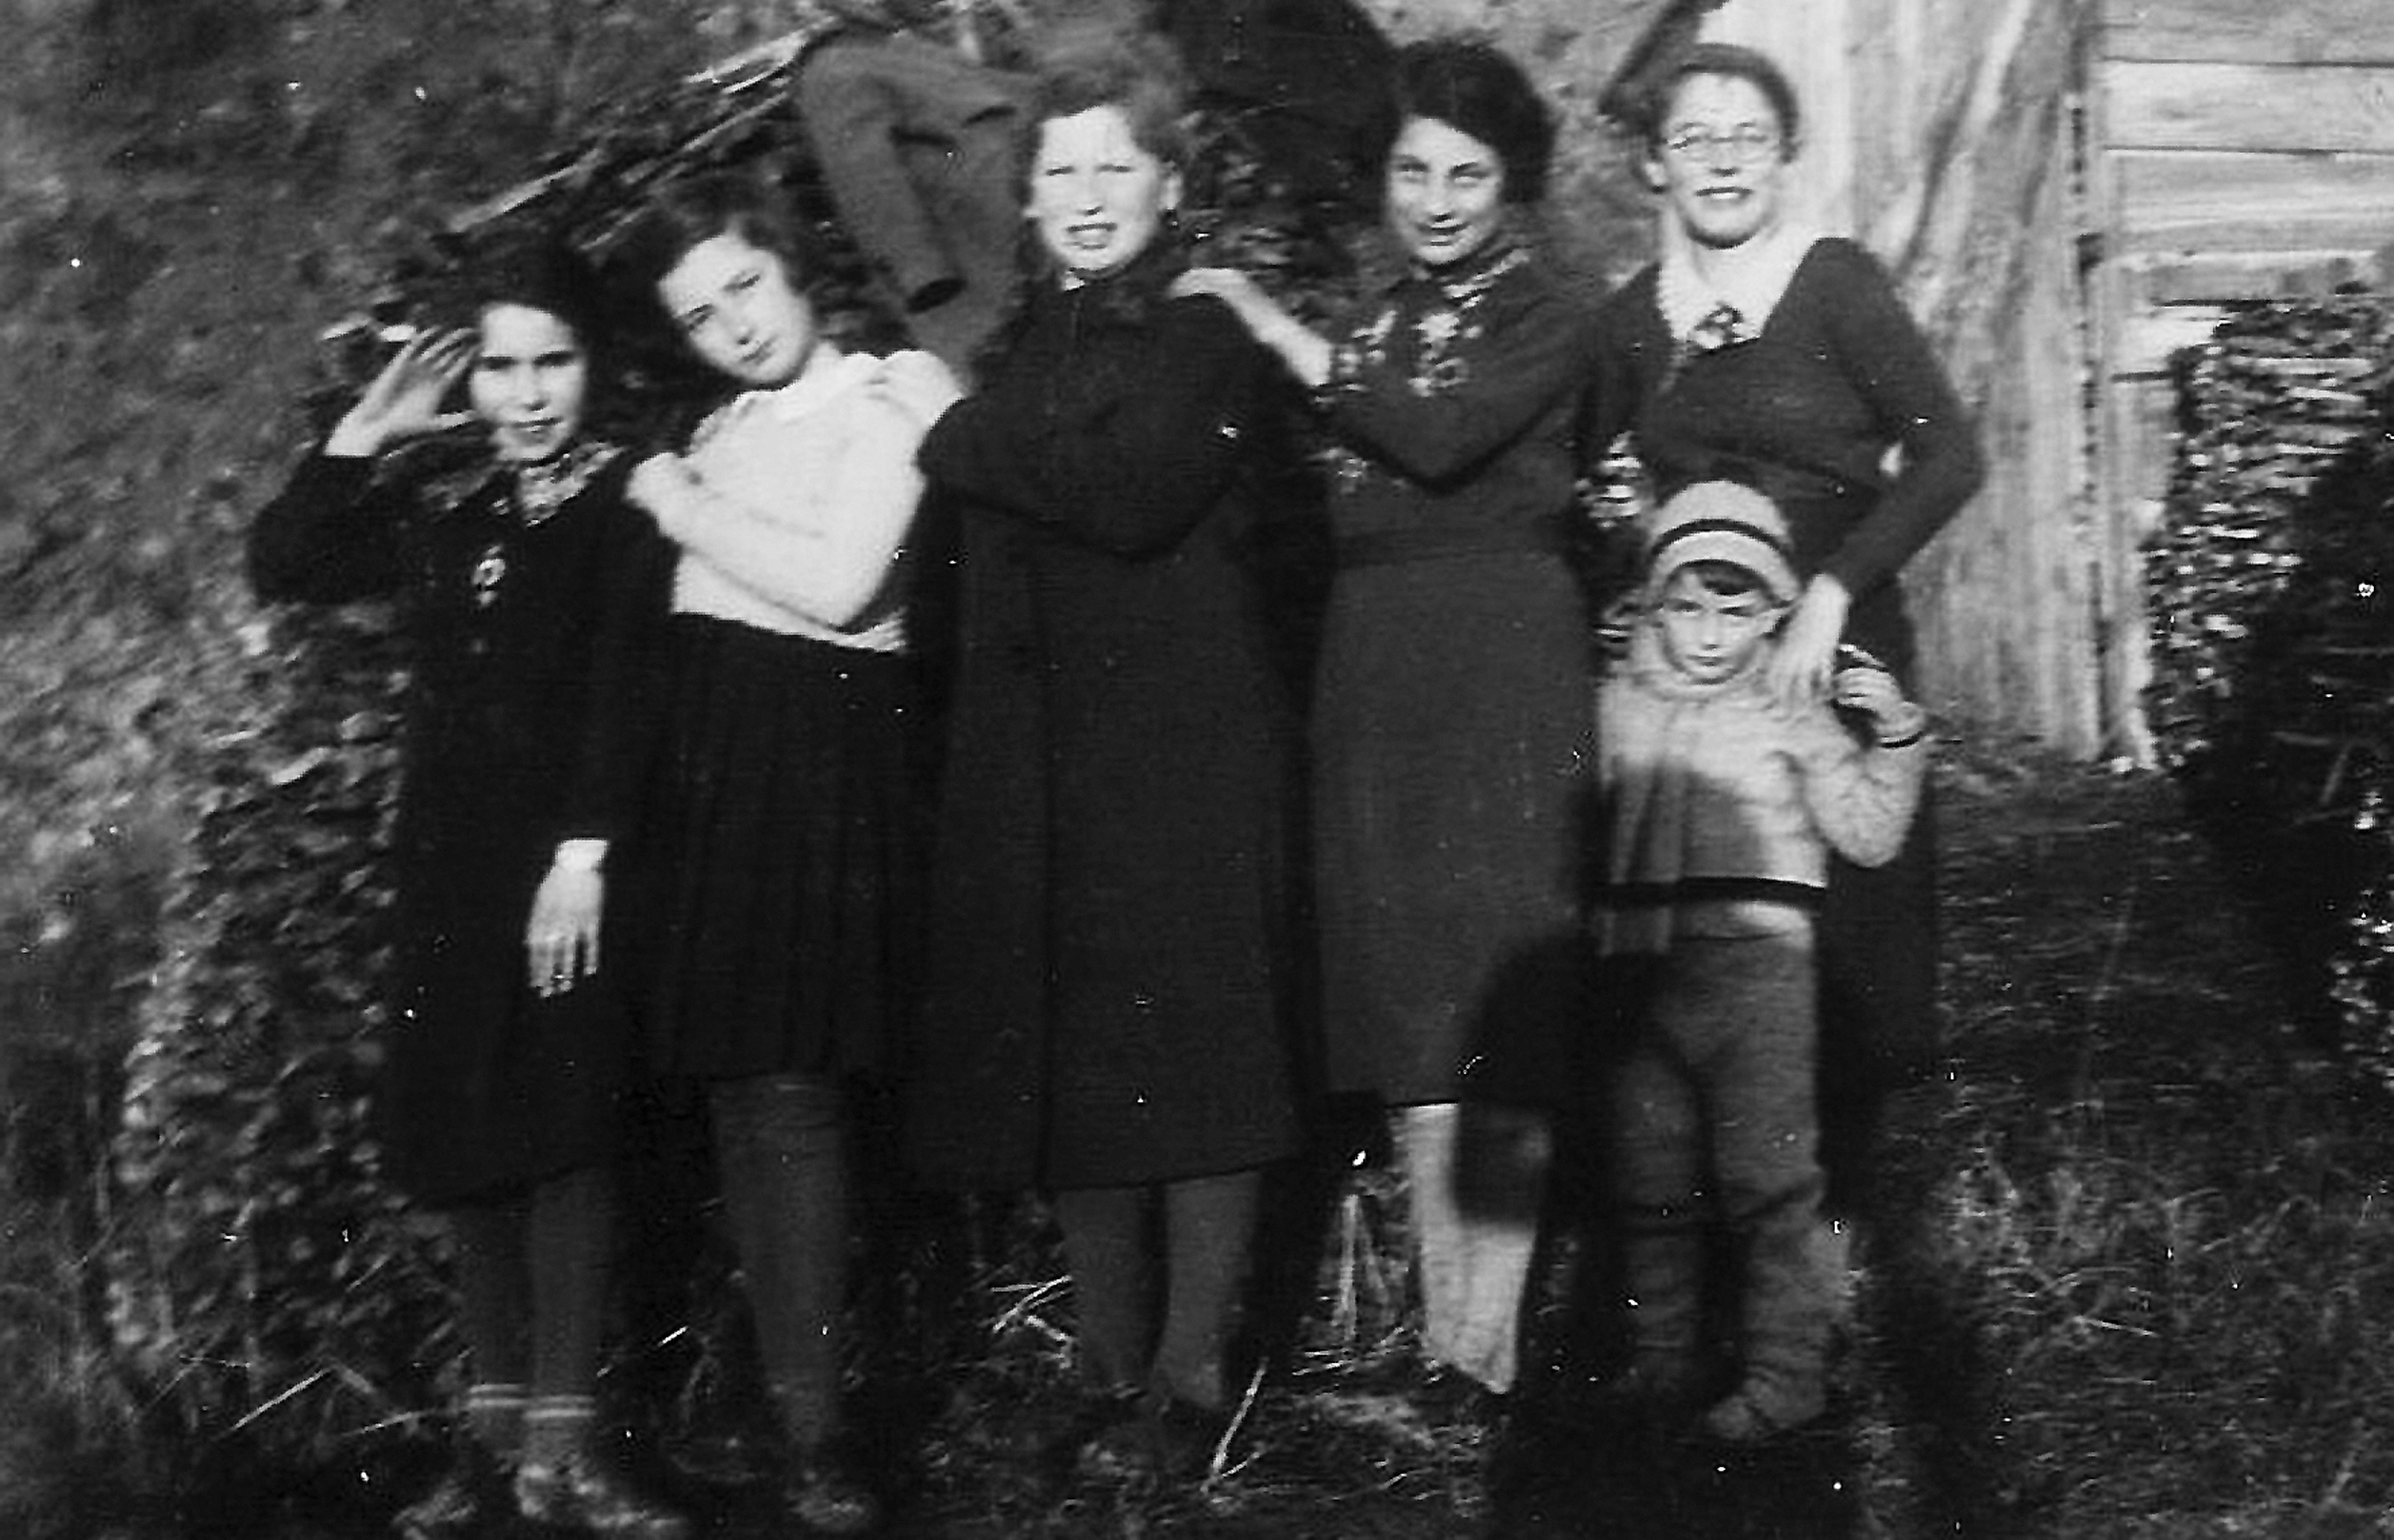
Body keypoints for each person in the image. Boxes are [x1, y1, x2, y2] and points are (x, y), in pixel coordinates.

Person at [891, 23, 1304, 1481]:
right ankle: (1109, 1363)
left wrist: (950, 435)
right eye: (1056, 167)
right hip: (1045, 757)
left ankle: (1190, 1383)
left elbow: (1130, 494)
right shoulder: (1019, 345)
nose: (1081, 192)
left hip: (1182, 752)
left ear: (1163, 183)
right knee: (1076, 1058)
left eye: (1111, 165)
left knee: (1195, 1053)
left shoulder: (1202, 333)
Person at [1176, 36, 1597, 1400]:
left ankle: (1484, 1343)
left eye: (1465, 173)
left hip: (1498, 665)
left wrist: (1262, 318)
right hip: (1375, 673)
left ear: (1509, 181)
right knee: (1412, 1014)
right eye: (1411, 168)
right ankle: (1446, 1337)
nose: (1432, 198)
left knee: (1500, 1011)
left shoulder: (1548, 313)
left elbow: (1433, 434)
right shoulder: (1378, 308)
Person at [246, 241, 686, 1539]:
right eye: (500, 367)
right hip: (451, 867)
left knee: (567, 1137)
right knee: (470, 1142)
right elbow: (287, 562)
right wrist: (363, 434)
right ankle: (495, 1453)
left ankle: (572, 1448)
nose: (528, 393)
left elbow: (626, 691)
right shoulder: (451, 508)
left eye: (553, 362)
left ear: (594, 367)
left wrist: (583, 856)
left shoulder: (628, 506)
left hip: (576, 874)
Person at [1583, 41, 1985, 1217]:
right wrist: (1624, 566)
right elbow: (1574, 476)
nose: (1720, 160)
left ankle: (1843, 1213)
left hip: (1835, 627)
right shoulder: (1628, 322)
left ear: (1785, 157)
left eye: (1745, 136)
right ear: (1656, 165)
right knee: (1719, 909)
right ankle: (1717, 1206)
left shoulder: (1835, 282)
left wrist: (1835, 588)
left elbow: (1950, 455)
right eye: (1693, 139)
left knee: (1849, 914)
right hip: (1703, 654)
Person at [607, 174, 943, 1536]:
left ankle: (821, 1442)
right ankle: (787, 1398)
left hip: (824, 771)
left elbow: (843, 582)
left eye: (743, 285)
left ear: (793, 267)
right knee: (745, 1095)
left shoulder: (885, 401)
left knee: (796, 1092)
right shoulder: (719, 428)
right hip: (720, 779)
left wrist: (679, 507)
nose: (732, 326)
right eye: (697, 315)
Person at [1591, 480, 1927, 1441]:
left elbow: (1866, 833)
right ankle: (1665, 1360)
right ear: (1653, 604)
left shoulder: (1791, 704)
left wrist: (1894, 735)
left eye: (1735, 611)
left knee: (1768, 1182)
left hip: (1760, 983)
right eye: (1686, 607)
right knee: (1649, 1178)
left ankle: (1790, 1377)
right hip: (1638, 975)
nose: (1707, 634)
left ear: (1775, 611)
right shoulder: (1613, 700)